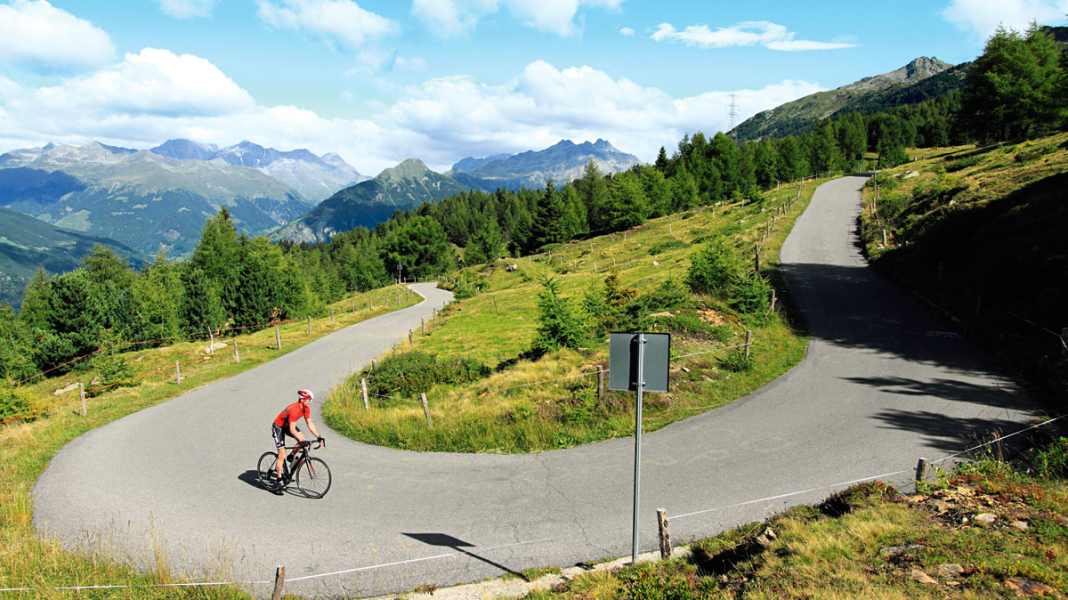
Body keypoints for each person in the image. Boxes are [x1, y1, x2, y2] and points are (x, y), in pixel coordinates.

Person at [270, 389, 324, 487]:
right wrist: (302, 442)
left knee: (302, 438)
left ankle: (291, 456)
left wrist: (319, 437)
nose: (310, 402)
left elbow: (310, 423)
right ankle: (278, 481)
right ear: (302, 400)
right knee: (282, 454)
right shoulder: (294, 409)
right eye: (309, 399)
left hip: (288, 426)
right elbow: (292, 429)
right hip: (278, 427)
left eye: (310, 400)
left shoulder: (306, 408)